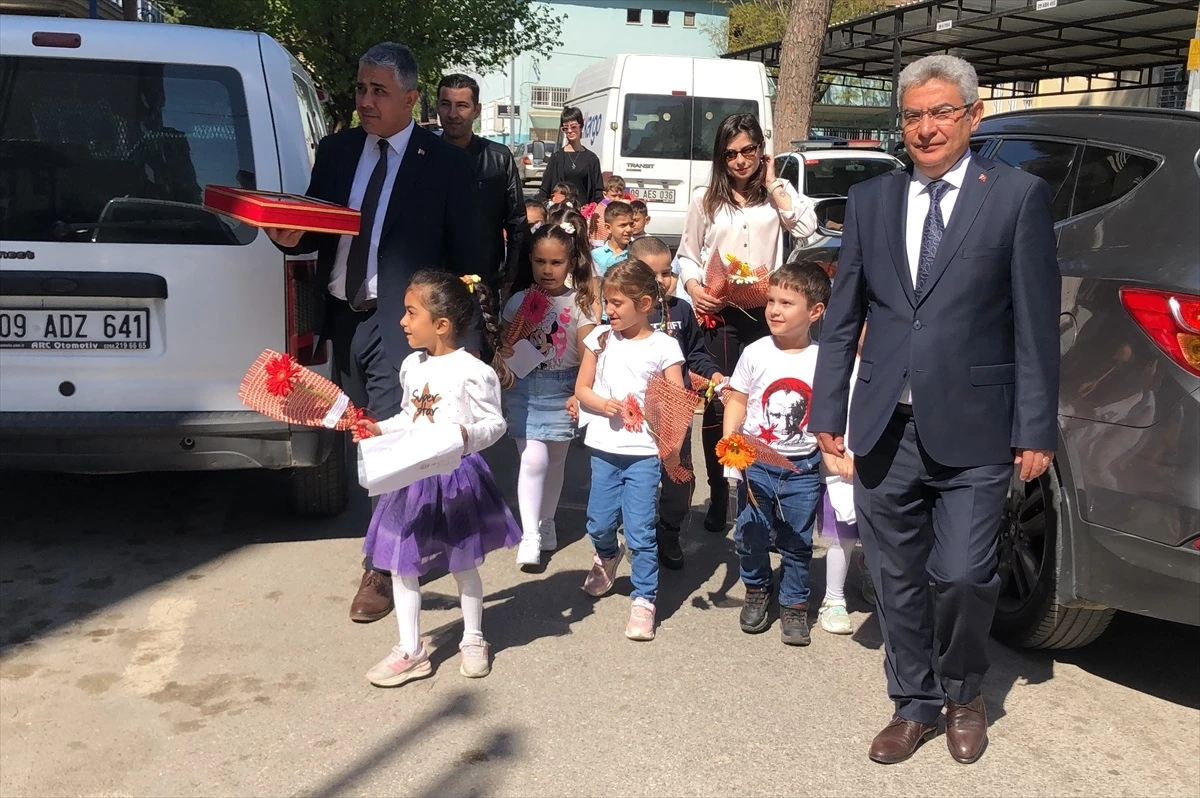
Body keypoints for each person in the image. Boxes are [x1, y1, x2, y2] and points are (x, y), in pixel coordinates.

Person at [810, 55, 1060, 766]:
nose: (926, 128)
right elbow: (845, 313)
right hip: (885, 424)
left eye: (941, 112)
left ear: (972, 118)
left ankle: (964, 691)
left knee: (962, 573)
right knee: (893, 574)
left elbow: (1036, 324)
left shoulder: (1015, 196)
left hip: (979, 424)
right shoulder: (872, 199)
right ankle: (913, 703)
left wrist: (1035, 426)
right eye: (914, 115)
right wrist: (831, 403)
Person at [264, 42, 481, 625]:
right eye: (360, 89)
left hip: (404, 329)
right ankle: (407, 528)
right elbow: (316, 233)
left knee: (391, 441)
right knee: (362, 432)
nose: (365, 100)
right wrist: (289, 237)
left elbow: (471, 261)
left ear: (411, 98)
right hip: (343, 320)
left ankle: (382, 567)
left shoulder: (447, 164)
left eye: (378, 91)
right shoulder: (336, 152)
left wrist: (465, 345)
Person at [352, 269, 520, 686]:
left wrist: (466, 436)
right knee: (400, 565)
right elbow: (410, 417)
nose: (402, 322)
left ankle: (474, 637)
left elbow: (495, 424)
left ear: (441, 325)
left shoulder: (473, 371)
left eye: (411, 313)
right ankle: (410, 650)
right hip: (411, 477)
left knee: (462, 562)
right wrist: (379, 428)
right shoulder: (411, 365)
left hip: (455, 477)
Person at [676, 113, 817, 533]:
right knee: (722, 401)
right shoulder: (707, 198)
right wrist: (693, 284)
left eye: (748, 151)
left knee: (764, 400)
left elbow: (806, 227)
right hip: (720, 311)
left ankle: (765, 490)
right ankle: (721, 494)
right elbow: (687, 252)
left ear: (761, 150)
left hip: (767, 312)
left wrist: (774, 183)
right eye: (731, 153)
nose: (740, 161)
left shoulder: (778, 193)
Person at [575, 258, 686, 641]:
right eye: (606, 302)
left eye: (617, 303)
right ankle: (607, 554)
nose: (609, 311)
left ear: (644, 304)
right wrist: (600, 403)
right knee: (599, 521)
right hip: (604, 447)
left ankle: (644, 599)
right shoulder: (600, 339)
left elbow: (676, 399)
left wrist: (672, 444)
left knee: (640, 530)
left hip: (642, 452)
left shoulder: (664, 345)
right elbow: (582, 388)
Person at [722, 262, 830, 646]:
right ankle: (756, 587)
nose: (774, 310)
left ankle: (795, 602)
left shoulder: (825, 359)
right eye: (771, 300)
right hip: (756, 461)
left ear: (815, 312)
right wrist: (730, 444)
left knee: (797, 538)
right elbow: (737, 398)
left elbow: (835, 411)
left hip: (802, 466)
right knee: (750, 533)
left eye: (787, 302)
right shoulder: (755, 352)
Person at [499, 222, 599, 568]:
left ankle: (547, 520)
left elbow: (589, 349)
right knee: (533, 459)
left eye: (556, 263)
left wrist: (580, 392)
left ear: (570, 263)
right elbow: (506, 345)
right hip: (525, 387)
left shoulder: (581, 302)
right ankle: (530, 535)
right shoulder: (518, 302)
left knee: (555, 462)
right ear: (530, 260)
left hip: (563, 388)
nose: (547, 270)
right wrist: (506, 357)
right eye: (540, 261)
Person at [631, 236, 723, 569]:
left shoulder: (681, 310)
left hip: (676, 414)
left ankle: (669, 531)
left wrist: (713, 375)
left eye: (667, 273)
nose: (661, 281)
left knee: (679, 477)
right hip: (635, 415)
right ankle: (639, 534)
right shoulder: (622, 314)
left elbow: (696, 354)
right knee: (639, 479)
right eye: (651, 274)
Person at [436, 74, 526, 293]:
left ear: (476, 110)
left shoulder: (498, 157)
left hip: (485, 283)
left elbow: (517, 223)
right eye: (446, 104)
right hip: (435, 282)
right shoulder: (423, 156)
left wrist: (511, 279)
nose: (453, 114)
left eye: (462, 106)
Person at [816, 325, 868, 637]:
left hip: (885, 462)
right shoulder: (839, 364)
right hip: (842, 460)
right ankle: (833, 598)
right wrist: (833, 456)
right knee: (843, 535)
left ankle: (874, 576)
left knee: (887, 533)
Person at [538, 107, 603, 205]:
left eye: (573, 127)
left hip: (583, 214)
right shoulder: (557, 157)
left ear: (581, 126)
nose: (569, 131)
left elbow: (598, 193)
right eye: (565, 128)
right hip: (560, 213)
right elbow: (545, 189)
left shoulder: (591, 159)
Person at [590, 201, 634, 277]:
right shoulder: (596, 255)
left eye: (631, 224)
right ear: (608, 228)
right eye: (623, 225)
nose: (629, 229)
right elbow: (595, 283)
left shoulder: (635, 253)